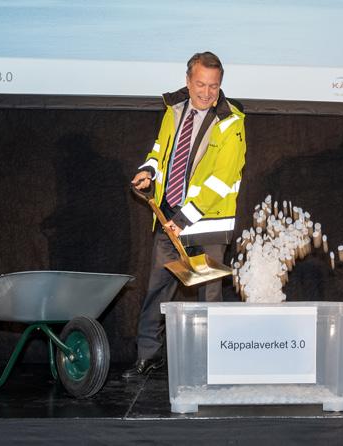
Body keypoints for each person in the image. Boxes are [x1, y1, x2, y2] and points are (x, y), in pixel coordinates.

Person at [123, 52, 247, 378]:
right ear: (188, 81)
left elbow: (221, 180)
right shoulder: (174, 109)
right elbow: (159, 150)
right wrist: (148, 172)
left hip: (208, 225)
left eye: (213, 86)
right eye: (201, 84)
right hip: (168, 218)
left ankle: (212, 363)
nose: (207, 92)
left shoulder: (231, 122)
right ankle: (149, 355)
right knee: (157, 290)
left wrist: (184, 219)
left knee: (209, 296)